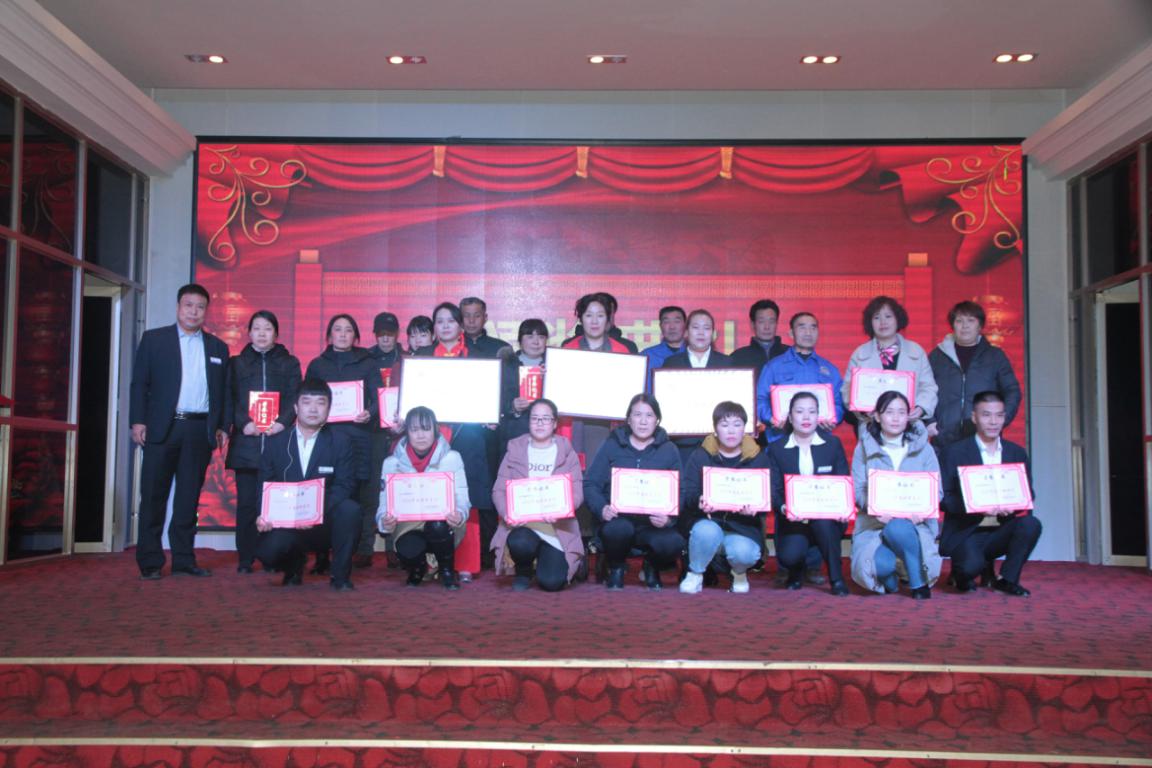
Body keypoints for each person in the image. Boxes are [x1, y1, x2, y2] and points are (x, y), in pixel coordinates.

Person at [130, 283, 228, 580]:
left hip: (198, 430)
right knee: (153, 496)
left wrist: (222, 426)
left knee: (188, 498)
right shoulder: (154, 340)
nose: (194, 311)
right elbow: (140, 384)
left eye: (200, 307)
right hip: (163, 428)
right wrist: (138, 421)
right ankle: (150, 561)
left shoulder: (217, 347)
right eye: (188, 305)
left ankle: (184, 559)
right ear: (178, 307)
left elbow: (223, 392)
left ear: (206, 311)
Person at [412, 301, 496, 577]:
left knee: (467, 496)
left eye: (451, 321)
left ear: (460, 325)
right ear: (434, 327)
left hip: (468, 435)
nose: (445, 326)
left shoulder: (478, 357)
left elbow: (488, 395)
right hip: (429, 437)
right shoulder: (421, 357)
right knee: (429, 497)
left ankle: (466, 565)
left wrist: (489, 412)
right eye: (440, 321)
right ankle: (430, 562)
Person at [254, 379, 362, 591]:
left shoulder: (341, 442)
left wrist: (313, 513)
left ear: (329, 409)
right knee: (268, 552)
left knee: (350, 510)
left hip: (324, 523)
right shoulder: (276, 444)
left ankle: (340, 576)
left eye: (320, 403)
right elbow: (264, 487)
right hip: (287, 523)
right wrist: (263, 515)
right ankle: (293, 566)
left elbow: (345, 485)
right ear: (296, 408)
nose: (313, 409)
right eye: (306, 402)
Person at [940, 391, 1042, 596]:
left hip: (1001, 528)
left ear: (1005, 417)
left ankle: (1007, 579)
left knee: (1031, 524)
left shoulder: (1016, 452)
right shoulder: (954, 452)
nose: (993, 422)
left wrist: (1014, 505)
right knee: (968, 571)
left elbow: (1028, 493)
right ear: (974, 417)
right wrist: (975, 506)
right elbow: (944, 499)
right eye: (986, 415)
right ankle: (964, 570)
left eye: (999, 415)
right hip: (967, 529)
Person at [223, 310, 302, 574]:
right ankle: (245, 558)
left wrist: (283, 422)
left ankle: (272, 556)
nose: (261, 333)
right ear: (249, 333)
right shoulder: (237, 363)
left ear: (276, 334)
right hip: (247, 443)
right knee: (247, 505)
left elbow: (295, 396)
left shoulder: (289, 363)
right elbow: (230, 398)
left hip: (279, 443)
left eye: (267, 328)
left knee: (276, 504)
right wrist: (243, 423)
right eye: (256, 328)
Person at [304, 314, 380, 573]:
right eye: (338, 330)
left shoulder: (367, 363)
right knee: (321, 496)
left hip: (358, 438)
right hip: (324, 439)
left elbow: (377, 398)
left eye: (348, 330)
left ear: (356, 336)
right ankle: (321, 554)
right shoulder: (317, 365)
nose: (343, 334)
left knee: (355, 499)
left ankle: (352, 552)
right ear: (329, 335)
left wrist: (369, 412)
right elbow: (307, 399)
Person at [584, 394, 684, 590]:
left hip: (653, 524)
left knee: (672, 542)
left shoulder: (669, 449)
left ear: (657, 420)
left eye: (649, 415)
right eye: (637, 415)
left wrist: (669, 519)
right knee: (617, 530)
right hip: (618, 520)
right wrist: (602, 508)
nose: (643, 421)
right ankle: (616, 567)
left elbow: (681, 490)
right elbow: (590, 484)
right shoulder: (612, 445)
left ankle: (651, 567)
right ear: (629, 419)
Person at [849, 391, 942, 600]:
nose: (896, 418)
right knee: (882, 565)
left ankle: (917, 581)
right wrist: (874, 508)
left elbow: (937, 490)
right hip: (875, 523)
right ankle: (893, 576)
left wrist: (922, 511)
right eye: (889, 412)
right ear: (877, 416)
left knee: (898, 527)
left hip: (915, 523)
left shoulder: (924, 449)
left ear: (908, 416)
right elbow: (857, 489)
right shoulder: (863, 448)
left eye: (901, 412)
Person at [491, 398, 586, 592]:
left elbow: (577, 493)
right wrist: (507, 512)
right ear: (529, 422)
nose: (540, 423)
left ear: (555, 423)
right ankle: (524, 570)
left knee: (552, 582)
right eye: (535, 418)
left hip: (557, 527)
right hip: (523, 526)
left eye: (545, 418)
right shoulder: (515, 450)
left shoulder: (567, 452)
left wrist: (562, 510)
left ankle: (569, 561)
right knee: (520, 542)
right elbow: (498, 490)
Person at [678, 402, 769, 594]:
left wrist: (756, 508)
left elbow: (768, 497)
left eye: (737, 424)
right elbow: (688, 492)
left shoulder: (758, 458)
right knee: (706, 531)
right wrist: (699, 500)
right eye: (724, 425)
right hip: (709, 522)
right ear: (715, 429)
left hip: (743, 528)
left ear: (745, 428)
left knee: (745, 553)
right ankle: (695, 573)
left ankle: (739, 574)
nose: (731, 431)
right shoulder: (700, 455)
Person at [767, 391, 852, 595]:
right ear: (790, 417)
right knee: (789, 555)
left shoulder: (832, 445)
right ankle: (795, 572)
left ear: (818, 416)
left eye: (812, 412)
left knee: (823, 524)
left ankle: (836, 578)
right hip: (793, 518)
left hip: (827, 516)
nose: (806, 417)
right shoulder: (777, 448)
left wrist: (843, 508)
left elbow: (843, 480)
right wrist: (784, 507)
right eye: (799, 412)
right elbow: (774, 489)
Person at [377, 406, 471, 590]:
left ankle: (446, 570)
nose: (420, 435)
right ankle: (417, 568)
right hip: (408, 525)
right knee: (407, 545)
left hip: (443, 524)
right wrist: (384, 521)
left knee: (437, 526)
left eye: (426, 429)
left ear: (435, 430)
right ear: (406, 432)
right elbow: (384, 503)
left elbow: (462, 497)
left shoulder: (452, 458)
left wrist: (460, 513)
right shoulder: (391, 464)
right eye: (414, 430)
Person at [928, 300, 1022, 449]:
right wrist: (929, 421)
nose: (965, 326)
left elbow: (1012, 391)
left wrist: (999, 419)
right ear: (952, 325)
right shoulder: (937, 356)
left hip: (984, 438)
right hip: (944, 438)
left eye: (971, 320)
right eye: (959, 321)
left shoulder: (995, 356)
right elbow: (924, 390)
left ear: (980, 325)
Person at [842, 295, 938, 427]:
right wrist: (863, 410)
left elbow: (928, 387)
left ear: (898, 319)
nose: (883, 322)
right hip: (871, 426)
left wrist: (921, 408)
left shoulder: (916, 351)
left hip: (909, 425)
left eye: (888, 316)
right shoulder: (860, 354)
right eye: (877, 318)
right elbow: (847, 389)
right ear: (870, 322)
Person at [357, 311, 405, 569]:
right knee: (371, 491)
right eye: (381, 334)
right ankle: (365, 547)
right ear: (375, 335)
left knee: (396, 489)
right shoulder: (365, 359)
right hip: (373, 431)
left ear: (397, 334)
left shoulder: (406, 359)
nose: (385, 339)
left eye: (390, 334)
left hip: (400, 433)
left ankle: (394, 548)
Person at [756, 311, 845, 443]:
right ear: (791, 333)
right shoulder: (774, 367)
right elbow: (760, 399)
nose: (808, 333)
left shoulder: (830, 369)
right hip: (781, 439)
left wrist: (833, 418)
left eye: (813, 328)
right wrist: (771, 418)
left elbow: (838, 403)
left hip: (819, 439)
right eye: (802, 327)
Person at [659, 309, 733, 464]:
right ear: (686, 332)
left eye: (706, 328)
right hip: (681, 442)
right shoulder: (672, 363)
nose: (701, 333)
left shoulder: (726, 363)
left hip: (718, 443)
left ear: (713, 333)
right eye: (695, 327)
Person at [498, 318, 550, 447]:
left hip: (547, 434)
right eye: (530, 336)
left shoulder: (553, 365)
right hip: (514, 434)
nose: (536, 342)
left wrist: (549, 380)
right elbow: (496, 401)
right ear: (520, 341)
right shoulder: (506, 365)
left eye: (541, 337)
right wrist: (513, 407)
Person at [730, 299, 789, 378]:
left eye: (771, 321)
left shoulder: (790, 354)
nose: (767, 327)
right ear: (752, 324)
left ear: (776, 324)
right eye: (761, 322)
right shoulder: (738, 357)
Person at [641, 305, 686, 389]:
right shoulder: (646, 356)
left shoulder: (696, 354)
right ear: (660, 326)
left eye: (677, 321)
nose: (672, 327)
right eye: (666, 322)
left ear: (685, 325)